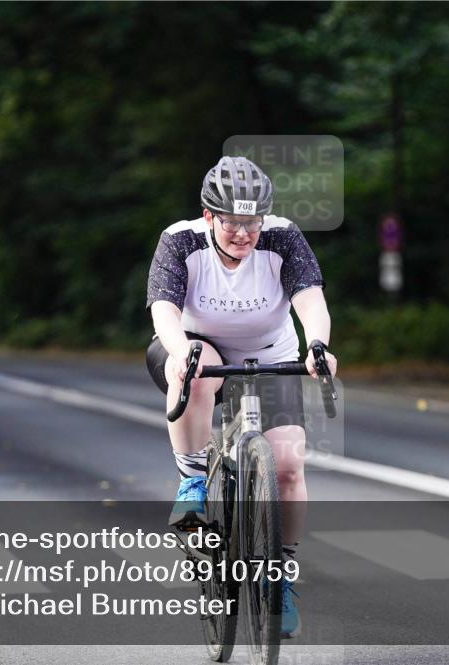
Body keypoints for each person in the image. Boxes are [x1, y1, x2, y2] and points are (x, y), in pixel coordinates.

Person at [145, 156, 338, 639]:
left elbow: (310, 299)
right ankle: (192, 481)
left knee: (289, 464)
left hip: (270, 356)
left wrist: (318, 346)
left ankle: (280, 579)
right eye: (232, 223)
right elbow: (164, 310)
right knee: (198, 363)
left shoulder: (283, 236)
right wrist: (180, 349)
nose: (243, 235)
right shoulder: (180, 240)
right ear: (210, 216)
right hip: (193, 348)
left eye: (252, 223)